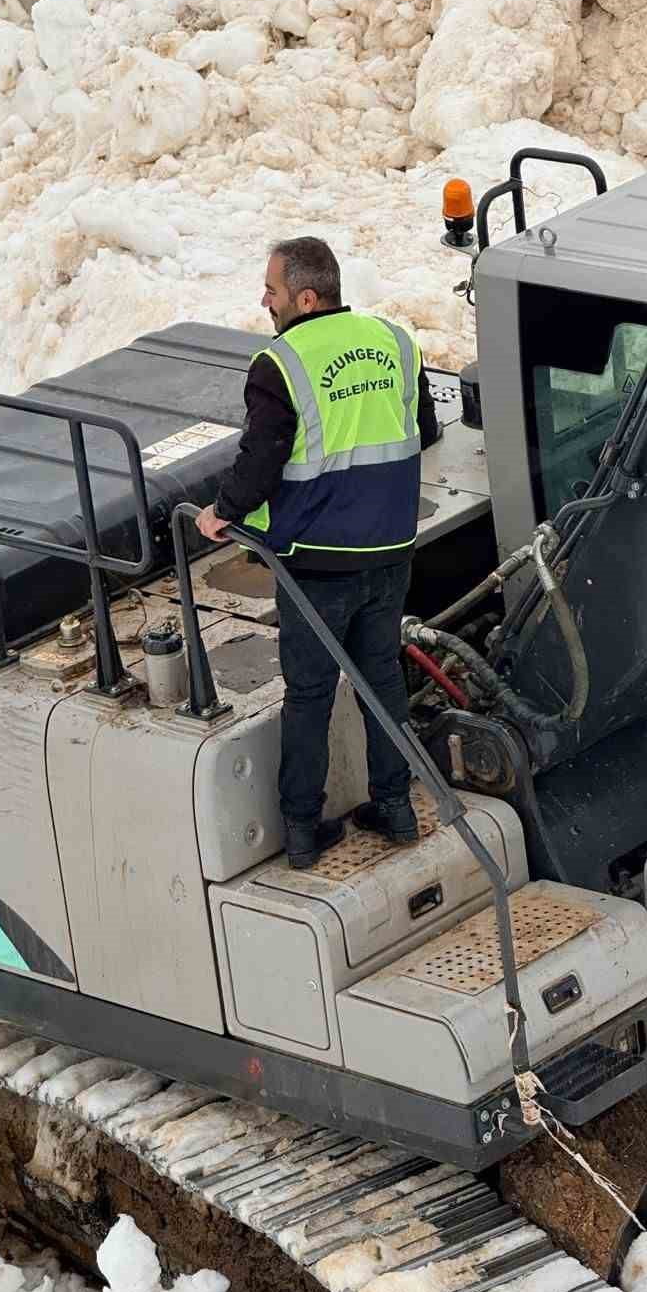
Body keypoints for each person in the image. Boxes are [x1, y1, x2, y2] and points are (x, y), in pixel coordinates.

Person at [195, 238, 442, 869]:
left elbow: (262, 459)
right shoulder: (396, 340)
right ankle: (395, 806)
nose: (265, 301)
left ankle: (302, 830)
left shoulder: (281, 363)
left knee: (309, 693)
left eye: (272, 291)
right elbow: (428, 430)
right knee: (381, 675)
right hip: (390, 549)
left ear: (306, 298)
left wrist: (221, 513)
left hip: (316, 561)